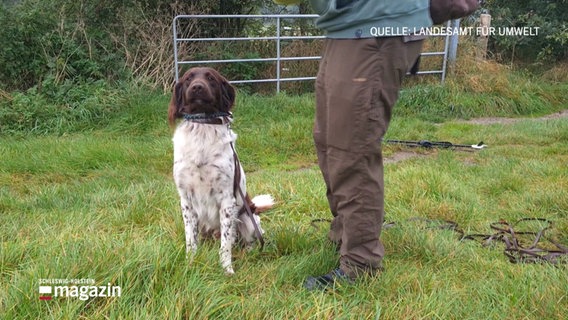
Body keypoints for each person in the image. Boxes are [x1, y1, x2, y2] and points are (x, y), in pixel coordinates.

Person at [274, 0, 433, 290]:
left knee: (352, 147)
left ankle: (361, 265)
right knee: (328, 140)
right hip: (348, 27)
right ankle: (345, 235)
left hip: (378, 27)